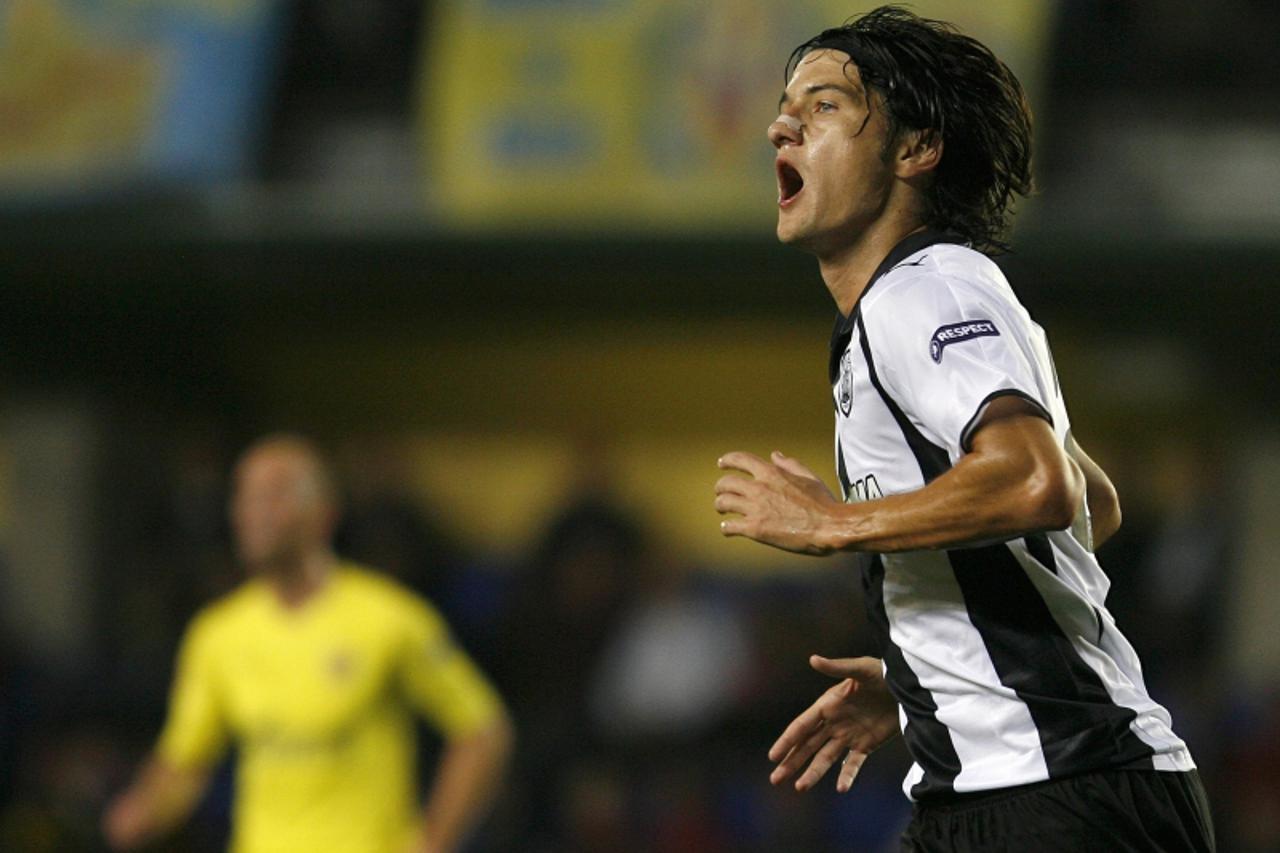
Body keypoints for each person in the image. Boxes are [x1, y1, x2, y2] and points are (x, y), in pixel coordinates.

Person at [712, 7, 1214, 851]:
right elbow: (1098, 502)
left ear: (915, 150)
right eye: (785, 106)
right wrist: (930, 680)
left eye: (824, 105)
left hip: (1059, 792)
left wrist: (835, 523)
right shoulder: (929, 298)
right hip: (1011, 787)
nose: (781, 124)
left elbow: (1037, 483)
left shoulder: (925, 294)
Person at [103, 434, 513, 853]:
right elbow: (186, 763)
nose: (252, 511)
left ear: (323, 515)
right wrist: (142, 811)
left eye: (274, 494)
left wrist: (435, 841)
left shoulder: (390, 619)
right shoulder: (217, 634)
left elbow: (482, 731)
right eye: (243, 494)